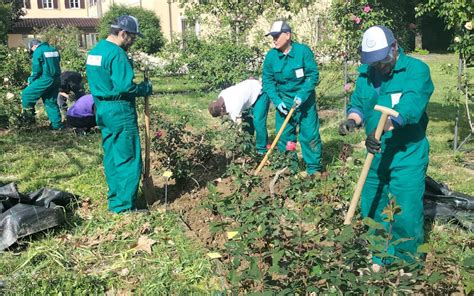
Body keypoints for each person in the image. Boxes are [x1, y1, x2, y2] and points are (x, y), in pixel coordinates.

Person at [338, 26, 434, 269]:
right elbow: (359, 104)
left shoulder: (416, 70)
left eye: (381, 60)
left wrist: (385, 126)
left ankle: (407, 264)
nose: (379, 66)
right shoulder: (367, 74)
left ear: (394, 47)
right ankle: (378, 255)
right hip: (376, 153)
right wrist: (352, 120)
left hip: (407, 153)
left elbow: (411, 105)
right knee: (373, 203)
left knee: (406, 210)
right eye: (373, 62)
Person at [85, 15, 152, 213]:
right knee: (128, 156)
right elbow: (125, 87)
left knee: (113, 155)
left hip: (102, 109)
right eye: (132, 37)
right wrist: (144, 88)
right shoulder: (117, 54)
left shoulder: (95, 51)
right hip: (119, 109)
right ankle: (123, 208)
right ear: (123, 34)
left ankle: (115, 199)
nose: (132, 42)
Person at [262, 20, 325, 178]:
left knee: (309, 134)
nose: (274, 40)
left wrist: (303, 95)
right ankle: (290, 168)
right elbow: (268, 82)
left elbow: (312, 75)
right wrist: (277, 102)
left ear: (288, 35)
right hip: (285, 102)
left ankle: (314, 169)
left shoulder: (303, 52)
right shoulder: (271, 57)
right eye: (273, 37)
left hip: (305, 102)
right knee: (284, 136)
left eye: (277, 36)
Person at [208, 78, 269, 154]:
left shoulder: (234, 105)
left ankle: (261, 149)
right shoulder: (221, 96)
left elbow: (238, 126)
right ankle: (247, 147)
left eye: (221, 114)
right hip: (247, 97)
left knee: (258, 122)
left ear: (222, 109)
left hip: (259, 92)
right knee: (247, 123)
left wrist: (236, 141)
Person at [21, 39, 63, 129]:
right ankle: (57, 125)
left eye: (31, 51)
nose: (32, 53)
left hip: (46, 79)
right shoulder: (53, 49)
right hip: (57, 79)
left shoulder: (38, 51)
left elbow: (36, 69)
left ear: (34, 46)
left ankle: (28, 123)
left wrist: (31, 81)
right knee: (50, 101)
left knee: (26, 94)